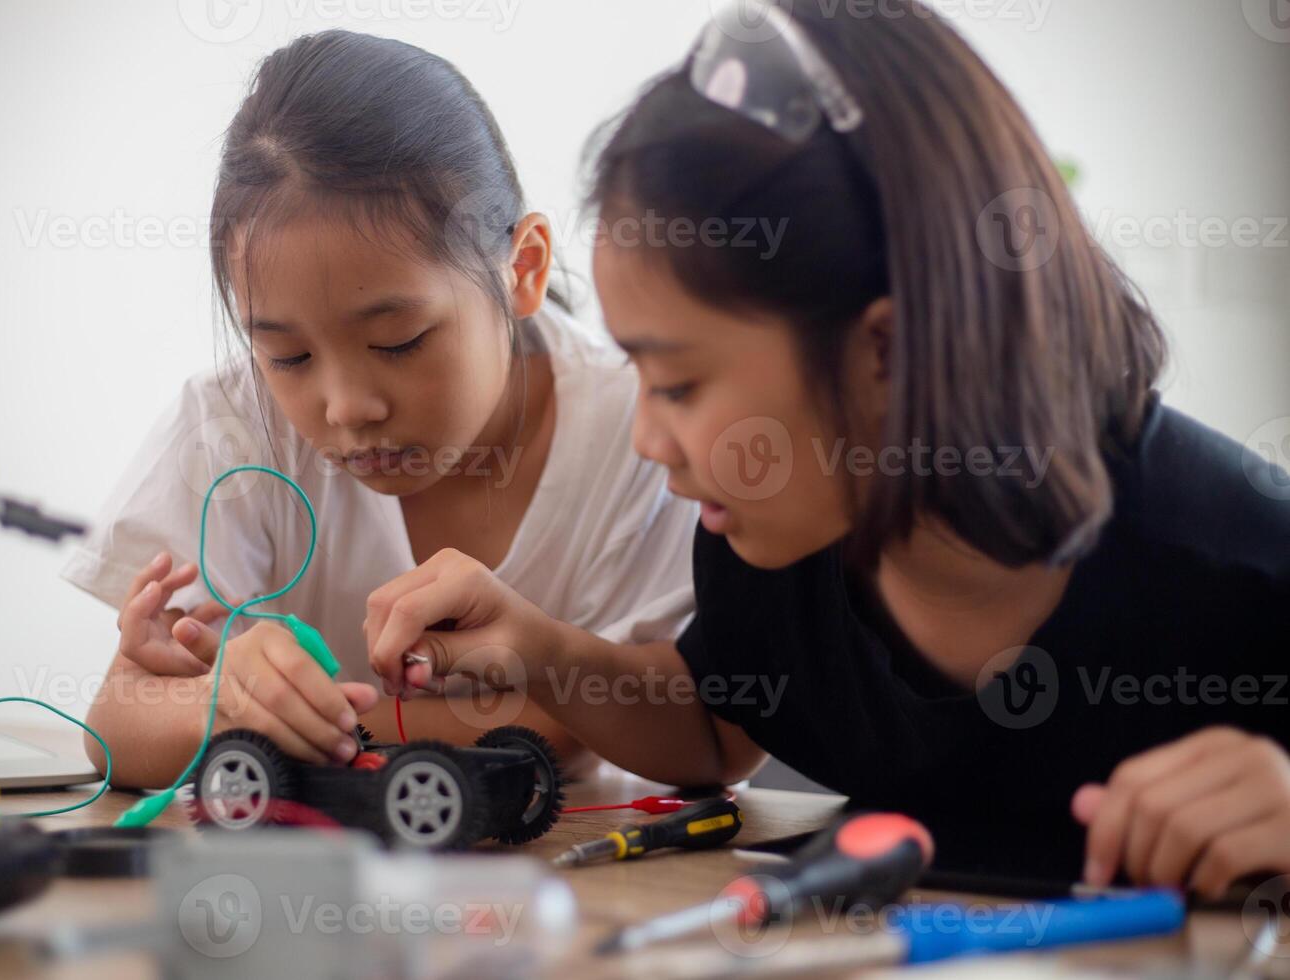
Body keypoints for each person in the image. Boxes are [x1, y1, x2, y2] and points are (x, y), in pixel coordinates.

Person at [364, 1, 1290, 894]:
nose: (650, 438)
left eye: (680, 384)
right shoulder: (779, 533)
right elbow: (710, 716)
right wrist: (540, 650)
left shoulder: (1241, 570)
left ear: (885, 350)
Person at [63, 31, 697, 787]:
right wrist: (224, 695)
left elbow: (657, 728)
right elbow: (116, 727)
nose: (347, 408)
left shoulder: (641, 427)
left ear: (520, 269)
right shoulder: (235, 424)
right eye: (288, 357)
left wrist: (279, 718)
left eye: (399, 341)